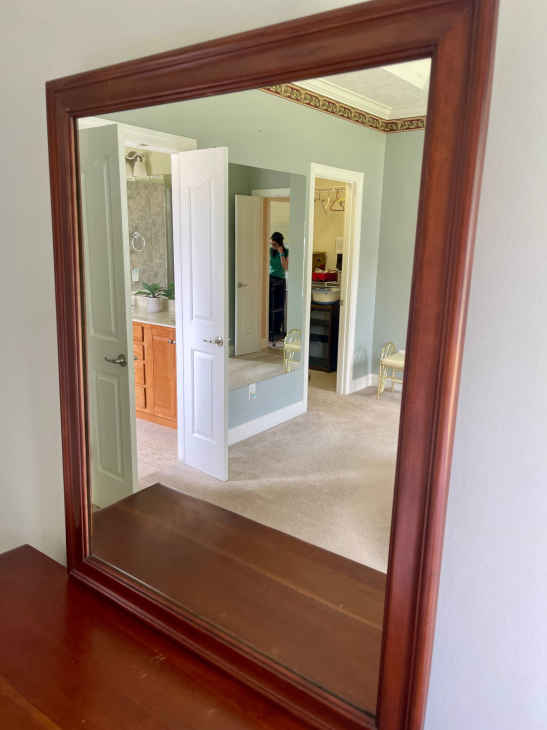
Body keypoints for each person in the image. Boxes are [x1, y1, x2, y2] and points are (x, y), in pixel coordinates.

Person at [269, 232, 288, 346]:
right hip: (270, 279)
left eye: (274, 244)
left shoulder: (286, 251)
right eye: (272, 244)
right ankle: (270, 331)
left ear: (279, 243)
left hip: (280, 280)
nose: (272, 246)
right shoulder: (270, 251)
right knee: (270, 306)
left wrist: (281, 253)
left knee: (279, 306)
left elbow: (285, 267)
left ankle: (277, 331)